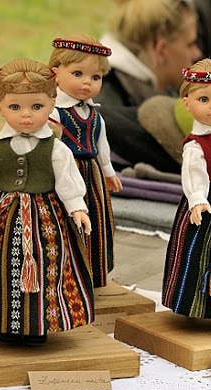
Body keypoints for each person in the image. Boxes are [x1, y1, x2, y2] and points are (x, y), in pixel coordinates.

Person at [0, 58, 94, 346]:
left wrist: (77, 208)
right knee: (0, 266)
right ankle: (3, 321)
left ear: (52, 105)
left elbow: (67, 181)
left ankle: (39, 325)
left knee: (47, 265)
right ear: (0, 107)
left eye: (36, 106)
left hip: (45, 219)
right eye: (15, 107)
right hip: (2, 215)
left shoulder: (56, 149)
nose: (26, 115)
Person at [163, 58, 211, 330]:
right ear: (187, 103)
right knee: (201, 254)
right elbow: (194, 176)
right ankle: (198, 305)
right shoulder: (196, 145)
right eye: (204, 99)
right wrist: (197, 200)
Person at [48, 35, 122, 288]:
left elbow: (102, 144)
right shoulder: (54, 112)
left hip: (92, 173)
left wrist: (108, 171)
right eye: (77, 74)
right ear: (55, 73)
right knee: (65, 220)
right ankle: (65, 273)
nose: (87, 82)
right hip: (64, 173)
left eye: (96, 77)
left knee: (96, 220)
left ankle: (93, 270)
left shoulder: (94, 114)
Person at [96, 0, 203, 173]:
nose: (197, 53)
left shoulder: (146, 86)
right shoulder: (102, 99)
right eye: (190, 44)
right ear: (161, 49)